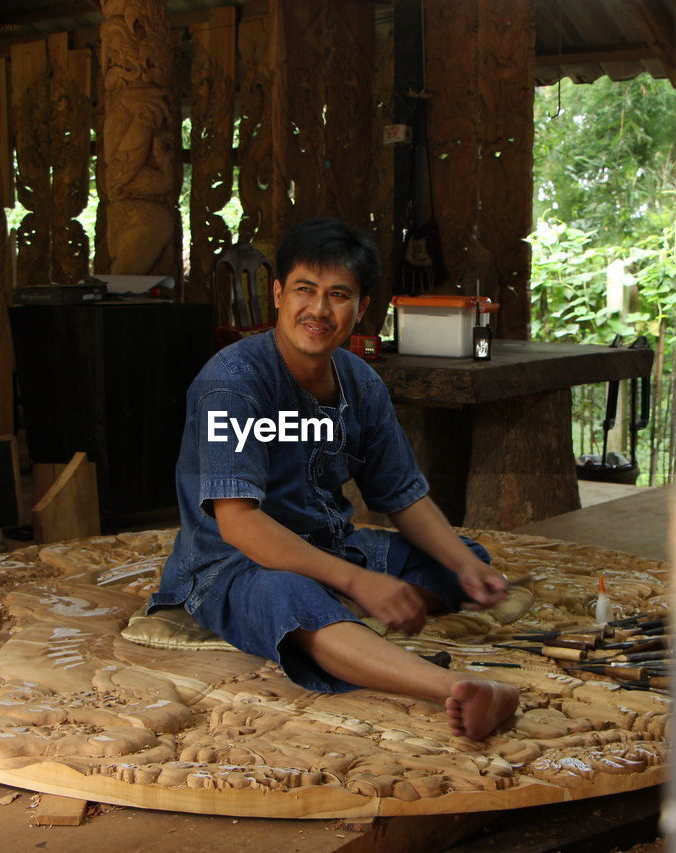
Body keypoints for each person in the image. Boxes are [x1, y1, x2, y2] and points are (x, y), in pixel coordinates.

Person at [148, 217, 519, 740]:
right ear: (278, 294)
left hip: (332, 547)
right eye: (305, 290)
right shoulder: (233, 383)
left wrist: (461, 566)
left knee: (464, 559)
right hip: (234, 565)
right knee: (289, 598)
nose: (319, 310)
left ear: (362, 307)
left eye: (338, 295)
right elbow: (238, 526)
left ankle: (340, 620)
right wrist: (358, 583)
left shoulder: (361, 381)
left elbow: (401, 496)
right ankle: (455, 687)